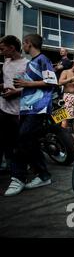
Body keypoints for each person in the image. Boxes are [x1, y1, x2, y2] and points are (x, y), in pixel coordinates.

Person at [5, 34, 58, 196]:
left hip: (38, 107)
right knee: (29, 141)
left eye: (24, 43)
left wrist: (27, 84)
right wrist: (18, 90)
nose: (23, 47)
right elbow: (31, 86)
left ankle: (18, 177)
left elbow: (52, 82)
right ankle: (43, 175)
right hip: (27, 107)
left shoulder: (43, 59)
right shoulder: (31, 63)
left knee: (22, 139)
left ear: (29, 44)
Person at [0, 35, 28, 173]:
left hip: (20, 110)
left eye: (2, 49)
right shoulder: (6, 63)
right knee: (5, 138)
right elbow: (7, 81)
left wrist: (15, 92)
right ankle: (8, 163)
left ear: (12, 48)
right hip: (4, 107)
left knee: (20, 140)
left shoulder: (27, 64)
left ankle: (22, 167)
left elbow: (32, 87)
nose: (1, 52)